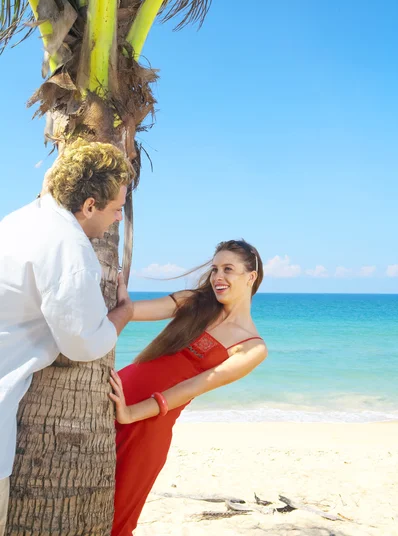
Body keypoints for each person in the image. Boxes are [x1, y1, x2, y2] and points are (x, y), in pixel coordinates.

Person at [0, 139, 135, 536]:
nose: (115, 221)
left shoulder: (19, 219)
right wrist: (122, 314)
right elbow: (82, 343)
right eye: (115, 210)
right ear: (90, 205)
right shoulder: (69, 248)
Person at [109, 239, 268, 536]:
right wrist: (115, 294)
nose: (218, 277)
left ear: (251, 276)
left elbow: (192, 386)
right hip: (112, 394)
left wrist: (131, 413)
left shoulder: (251, 347)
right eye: (215, 269)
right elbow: (129, 312)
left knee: (116, 519)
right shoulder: (193, 302)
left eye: (228, 269)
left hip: (145, 424)